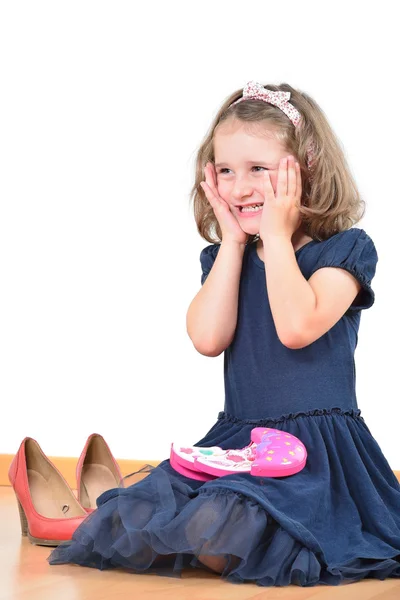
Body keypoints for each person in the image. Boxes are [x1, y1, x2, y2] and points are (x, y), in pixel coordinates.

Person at [47, 81, 400, 587]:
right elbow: (207, 338)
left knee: (241, 521)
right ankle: (228, 538)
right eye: (226, 171)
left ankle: (251, 538)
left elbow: (298, 327)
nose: (238, 188)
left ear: (308, 165)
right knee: (185, 510)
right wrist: (233, 244)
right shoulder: (222, 259)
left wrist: (276, 236)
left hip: (319, 453)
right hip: (241, 440)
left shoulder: (343, 251)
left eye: (258, 169)